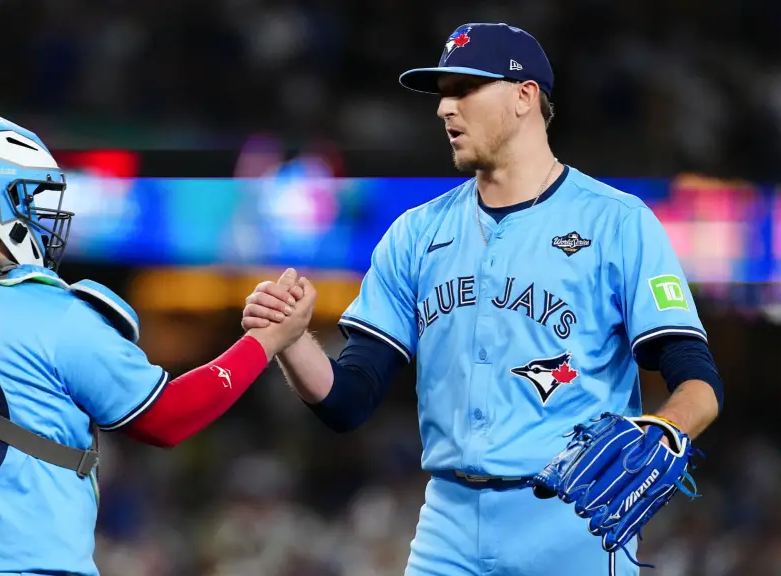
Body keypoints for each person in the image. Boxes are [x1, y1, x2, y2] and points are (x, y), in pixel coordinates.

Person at [241, 22, 723, 576]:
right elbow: (348, 401)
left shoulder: (617, 222)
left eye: (465, 89)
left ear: (524, 96)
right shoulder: (415, 234)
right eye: (442, 93)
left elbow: (698, 381)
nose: (445, 108)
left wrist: (666, 428)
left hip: (571, 518)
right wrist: (292, 339)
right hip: (447, 523)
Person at [0, 109, 314, 576]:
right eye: (26, 194)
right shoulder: (56, 315)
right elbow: (166, 418)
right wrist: (265, 340)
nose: (38, 211)